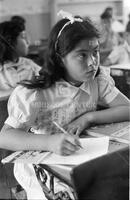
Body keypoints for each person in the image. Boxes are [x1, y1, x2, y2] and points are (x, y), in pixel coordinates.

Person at [0, 10, 129, 200]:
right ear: (61, 59)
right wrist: (50, 143)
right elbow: (4, 137)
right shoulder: (36, 93)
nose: (92, 62)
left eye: (95, 52)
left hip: (79, 158)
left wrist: (88, 117)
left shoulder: (96, 81)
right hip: (42, 164)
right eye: (82, 55)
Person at [0, 20, 41, 98]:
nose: (28, 42)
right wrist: (22, 90)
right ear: (10, 41)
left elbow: (46, 78)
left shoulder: (29, 63)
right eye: (23, 37)